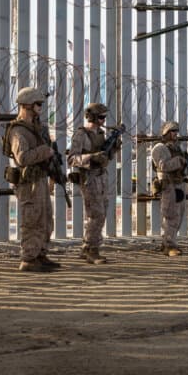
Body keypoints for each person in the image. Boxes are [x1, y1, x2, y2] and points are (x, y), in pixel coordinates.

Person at [3, 86, 60, 272]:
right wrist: (46, 151)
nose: (41, 107)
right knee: (32, 220)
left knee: (45, 219)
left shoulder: (38, 128)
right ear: (27, 105)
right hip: (29, 183)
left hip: (41, 179)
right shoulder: (18, 131)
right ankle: (28, 258)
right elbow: (23, 158)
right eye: (38, 104)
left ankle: (40, 254)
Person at [67, 102, 119, 264]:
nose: (104, 120)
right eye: (101, 117)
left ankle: (88, 247)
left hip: (101, 177)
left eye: (104, 117)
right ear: (93, 117)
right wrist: (91, 157)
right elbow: (72, 158)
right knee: (96, 215)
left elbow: (106, 156)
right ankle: (91, 249)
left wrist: (113, 148)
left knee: (101, 213)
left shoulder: (102, 134)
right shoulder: (81, 134)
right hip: (89, 178)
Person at [150, 121, 188, 257]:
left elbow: (184, 163)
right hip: (168, 185)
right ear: (165, 133)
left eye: (176, 132)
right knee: (171, 215)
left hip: (179, 184)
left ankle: (170, 241)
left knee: (179, 215)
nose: (175, 135)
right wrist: (180, 161)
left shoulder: (177, 148)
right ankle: (168, 245)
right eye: (172, 132)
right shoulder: (159, 148)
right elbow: (163, 166)